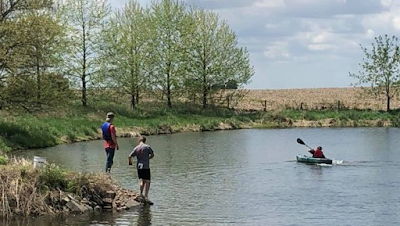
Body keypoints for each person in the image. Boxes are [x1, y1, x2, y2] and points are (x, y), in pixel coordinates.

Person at [129, 136, 154, 205]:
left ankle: (140, 194)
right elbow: (152, 154)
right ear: (145, 140)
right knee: (147, 181)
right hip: (146, 166)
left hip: (139, 166)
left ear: (139, 140)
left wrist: (130, 162)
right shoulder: (147, 147)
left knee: (141, 180)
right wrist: (148, 158)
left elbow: (129, 156)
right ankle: (146, 196)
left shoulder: (136, 148)